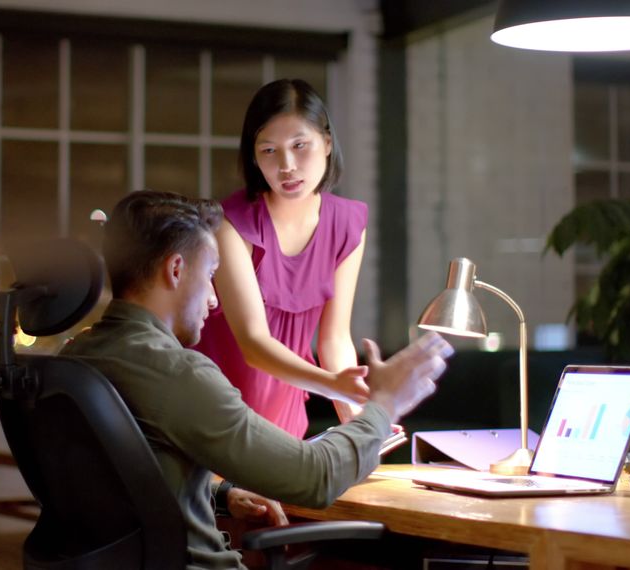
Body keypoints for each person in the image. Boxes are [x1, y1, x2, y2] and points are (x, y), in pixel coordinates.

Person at [61, 190, 451, 569]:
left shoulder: (77, 357)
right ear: (176, 270)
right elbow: (316, 477)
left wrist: (222, 494)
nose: (214, 299)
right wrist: (383, 405)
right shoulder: (177, 373)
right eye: (210, 275)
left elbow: (120, 475)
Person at [193, 79, 375, 439]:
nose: (287, 165)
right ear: (254, 157)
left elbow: (335, 339)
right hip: (214, 420)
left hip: (286, 424)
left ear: (327, 143)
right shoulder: (231, 225)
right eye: (269, 150)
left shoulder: (347, 224)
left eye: (299, 145)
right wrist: (334, 386)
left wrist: (359, 422)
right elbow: (254, 343)